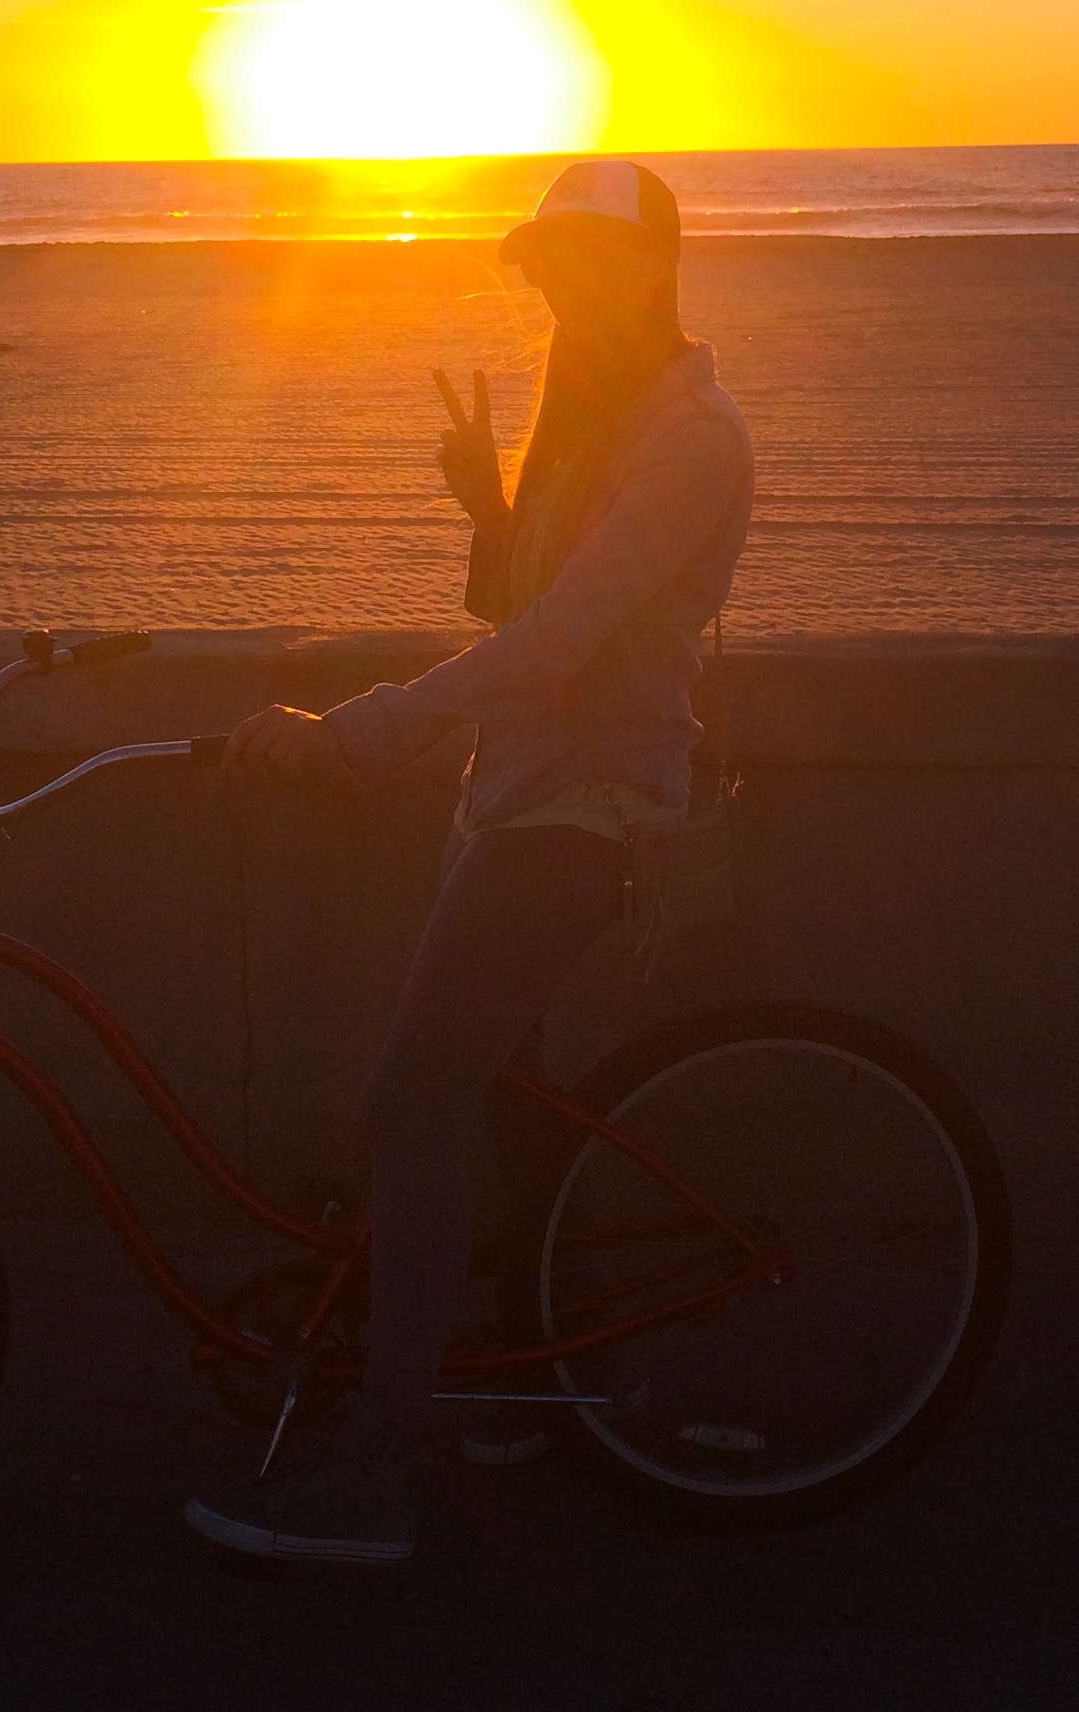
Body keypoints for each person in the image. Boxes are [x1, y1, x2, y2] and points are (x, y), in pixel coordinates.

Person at [186, 157, 753, 1566]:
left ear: (652, 270)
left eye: (590, 261)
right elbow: (529, 602)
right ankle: (539, 1377)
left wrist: (365, 730)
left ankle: (385, 1462)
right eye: (550, 262)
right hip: (517, 792)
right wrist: (481, 502)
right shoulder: (593, 413)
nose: (563, 284)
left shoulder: (692, 439)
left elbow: (562, 651)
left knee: (411, 1099)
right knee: (506, 1097)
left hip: (595, 809)